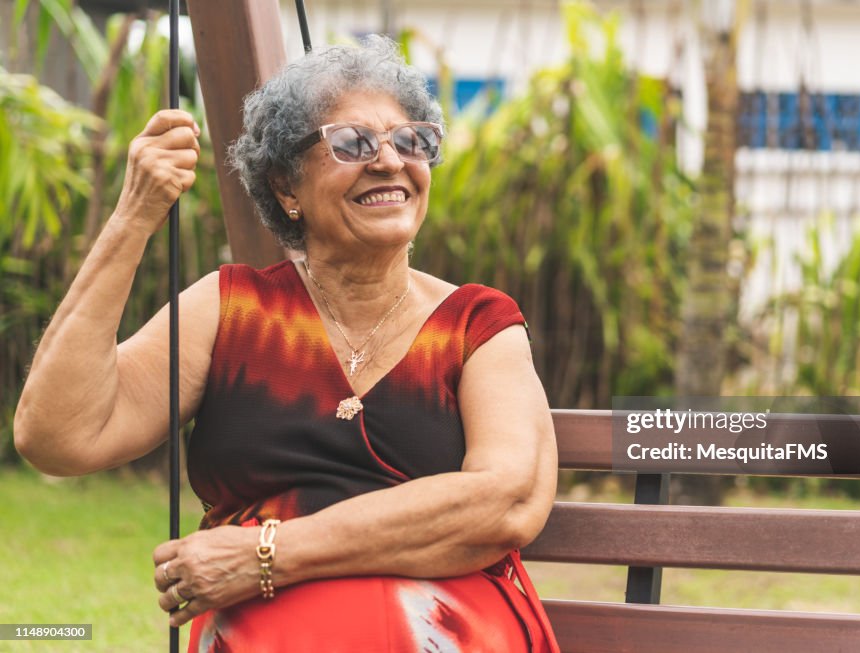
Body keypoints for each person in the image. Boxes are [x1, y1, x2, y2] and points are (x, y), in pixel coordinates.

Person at [14, 37, 560, 652]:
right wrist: (135, 216)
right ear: (286, 187)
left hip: (443, 626)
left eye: (412, 141)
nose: (389, 162)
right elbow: (59, 436)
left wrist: (268, 554)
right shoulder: (233, 310)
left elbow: (507, 500)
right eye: (352, 143)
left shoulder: (477, 324)